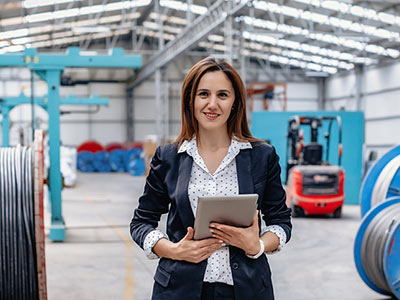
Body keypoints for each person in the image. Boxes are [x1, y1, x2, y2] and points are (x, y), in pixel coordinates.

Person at [130, 57, 292, 300]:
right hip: (180, 290)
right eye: (203, 94)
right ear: (190, 101)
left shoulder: (262, 157)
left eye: (223, 95)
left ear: (235, 102)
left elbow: (281, 222)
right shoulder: (168, 158)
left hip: (245, 290)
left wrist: (256, 245)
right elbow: (141, 223)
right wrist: (174, 250)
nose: (212, 104)